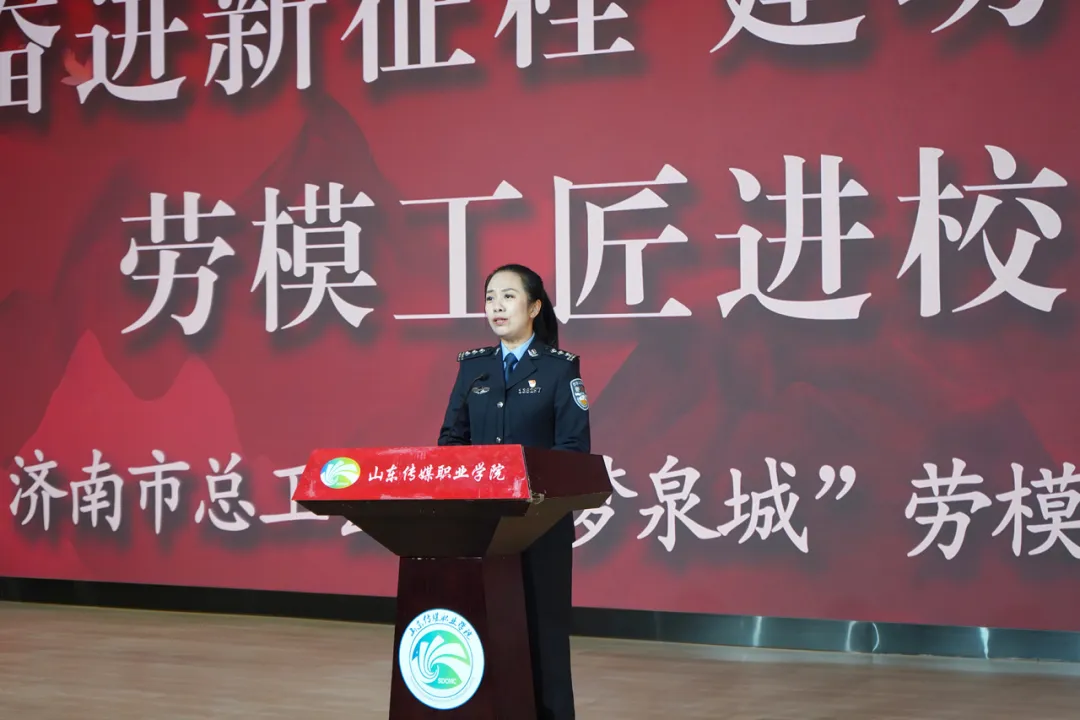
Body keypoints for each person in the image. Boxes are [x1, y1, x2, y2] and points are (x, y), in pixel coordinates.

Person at [437, 263, 589, 720]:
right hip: (483, 526)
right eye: (490, 298)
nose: (496, 307)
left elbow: (573, 450)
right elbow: (451, 441)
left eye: (508, 297)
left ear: (534, 307)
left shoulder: (560, 369)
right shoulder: (474, 369)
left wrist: (532, 494)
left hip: (540, 528)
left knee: (544, 636)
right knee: (486, 629)